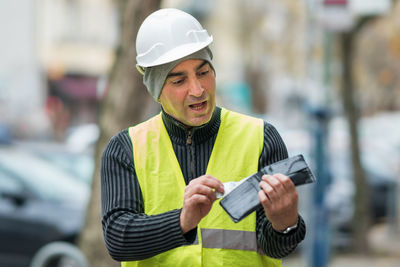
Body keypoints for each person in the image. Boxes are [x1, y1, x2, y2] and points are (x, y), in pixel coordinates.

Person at [101, 8, 306, 267]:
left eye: (203, 72)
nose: (198, 90)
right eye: (179, 81)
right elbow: (119, 239)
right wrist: (183, 220)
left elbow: (274, 247)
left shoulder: (261, 138)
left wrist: (285, 224)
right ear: (156, 90)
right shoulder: (126, 149)